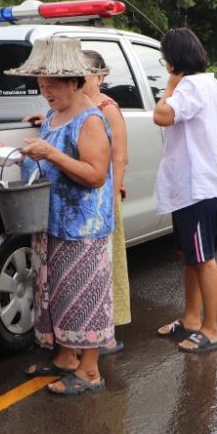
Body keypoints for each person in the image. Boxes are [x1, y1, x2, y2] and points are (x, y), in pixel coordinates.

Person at [11, 36, 115, 395]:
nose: (45, 91)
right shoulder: (56, 113)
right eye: (41, 85)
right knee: (57, 293)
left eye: (51, 85)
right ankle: (65, 357)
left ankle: (89, 370)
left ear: (73, 80)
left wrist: (50, 154)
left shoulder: (90, 119)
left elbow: (96, 174)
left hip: (82, 227)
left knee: (83, 294)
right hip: (52, 220)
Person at [152, 28, 217, 354]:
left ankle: (211, 329)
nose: (163, 62)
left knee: (204, 259)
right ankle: (192, 318)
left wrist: (170, 85)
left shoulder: (192, 86)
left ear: (173, 59)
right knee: (190, 258)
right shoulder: (205, 83)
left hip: (197, 188)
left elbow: (161, 116)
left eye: (165, 57)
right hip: (189, 187)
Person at [81, 50, 131, 355]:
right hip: (85, 197)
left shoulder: (107, 108)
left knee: (107, 265)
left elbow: (120, 156)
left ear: (100, 77)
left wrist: (110, 199)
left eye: (86, 72)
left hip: (104, 199)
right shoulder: (77, 106)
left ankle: (108, 332)